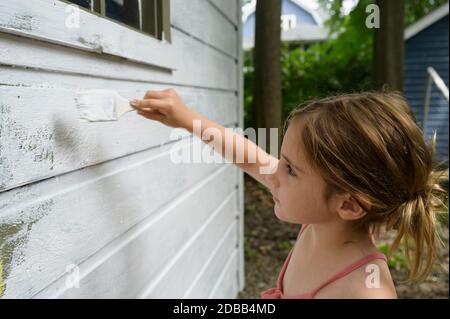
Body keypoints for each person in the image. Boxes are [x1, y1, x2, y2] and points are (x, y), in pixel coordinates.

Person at [130, 89, 448, 299]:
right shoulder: (321, 221)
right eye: (282, 160)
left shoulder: (366, 289)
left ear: (349, 204)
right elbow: (249, 156)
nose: (273, 172)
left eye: (291, 169)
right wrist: (186, 118)